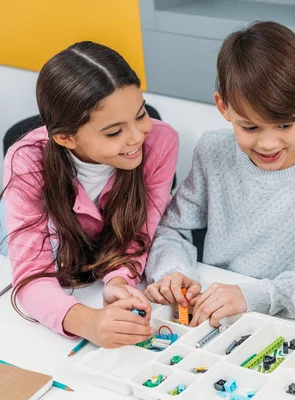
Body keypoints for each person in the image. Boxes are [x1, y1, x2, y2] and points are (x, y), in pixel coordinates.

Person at [144, 21, 295, 327]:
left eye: (284, 125)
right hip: (217, 319)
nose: (267, 143)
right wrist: (174, 271)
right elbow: (172, 229)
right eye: (250, 127)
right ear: (223, 107)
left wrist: (257, 296)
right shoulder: (213, 152)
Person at [3, 41, 179, 348]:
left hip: (99, 278)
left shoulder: (161, 142)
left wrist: (118, 281)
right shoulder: (26, 160)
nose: (138, 136)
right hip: (63, 277)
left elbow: (141, 233)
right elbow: (30, 275)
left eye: (140, 115)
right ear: (65, 137)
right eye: (114, 132)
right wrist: (87, 322)